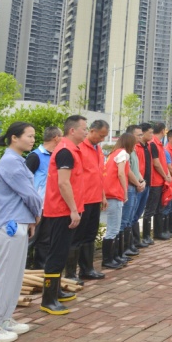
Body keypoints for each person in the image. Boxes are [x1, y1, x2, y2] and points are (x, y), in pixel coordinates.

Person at [0, 122, 44, 342]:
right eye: (29, 136)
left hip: (17, 222)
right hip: (8, 225)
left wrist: (30, 219)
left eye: (34, 136)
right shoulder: (11, 163)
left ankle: (3, 319)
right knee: (4, 277)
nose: (33, 140)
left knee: (14, 276)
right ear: (14, 138)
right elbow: (30, 195)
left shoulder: (17, 161)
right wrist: (37, 214)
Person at [39, 115, 88, 315]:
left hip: (66, 208)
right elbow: (63, 183)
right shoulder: (66, 151)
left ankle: (56, 290)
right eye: (84, 128)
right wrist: (73, 210)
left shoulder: (72, 150)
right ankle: (48, 299)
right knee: (56, 253)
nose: (87, 131)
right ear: (72, 131)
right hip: (62, 210)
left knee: (61, 251)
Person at [70, 119, 109, 283]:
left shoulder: (98, 149)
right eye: (100, 135)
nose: (102, 139)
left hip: (95, 198)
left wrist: (102, 195)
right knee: (77, 237)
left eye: (104, 137)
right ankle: (71, 273)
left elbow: (98, 174)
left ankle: (87, 269)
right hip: (82, 199)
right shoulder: (79, 148)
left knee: (90, 235)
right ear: (91, 131)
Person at [25, 127, 61, 270]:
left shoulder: (57, 156)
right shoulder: (35, 156)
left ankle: (40, 270)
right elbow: (25, 182)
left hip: (50, 206)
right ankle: (24, 271)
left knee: (45, 241)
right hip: (36, 206)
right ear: (56, 138)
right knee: (30, 240)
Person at [102, 132, 136, 270]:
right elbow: (121, 173)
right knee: (113, 228)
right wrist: (124, 190)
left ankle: (114, 256)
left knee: (114, 227)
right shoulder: (123, 154)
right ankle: (108, 259)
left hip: (109, 192)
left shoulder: (113, 153)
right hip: (115, 193)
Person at [118, 125, 146, 257]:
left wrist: (142, 180)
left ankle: (128, 245)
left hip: (135, 186)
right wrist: (137, 183)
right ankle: (122, 250)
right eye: (138, 135)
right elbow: (126, 171)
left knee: (130, 218)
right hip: (129, 187)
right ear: (130, 135)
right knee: (125, 219)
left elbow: (136, 169)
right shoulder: (125, 152)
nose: (141, 137)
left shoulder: (133, 150)